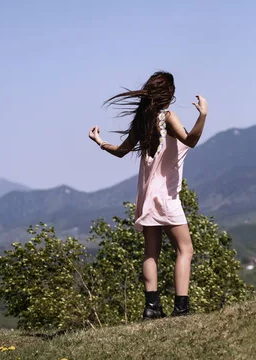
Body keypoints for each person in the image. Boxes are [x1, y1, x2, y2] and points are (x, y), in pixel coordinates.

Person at [88, 71, 208, 320]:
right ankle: (181, 308)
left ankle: (152, 308)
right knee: (185, 250)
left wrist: (99, 141)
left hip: (146, 196)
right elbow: (191, 140)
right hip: (166, 197)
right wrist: (203, 115)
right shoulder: (167, 117)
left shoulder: (142, 121)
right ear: (170, 94)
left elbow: (121, 151)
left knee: (151, 253)